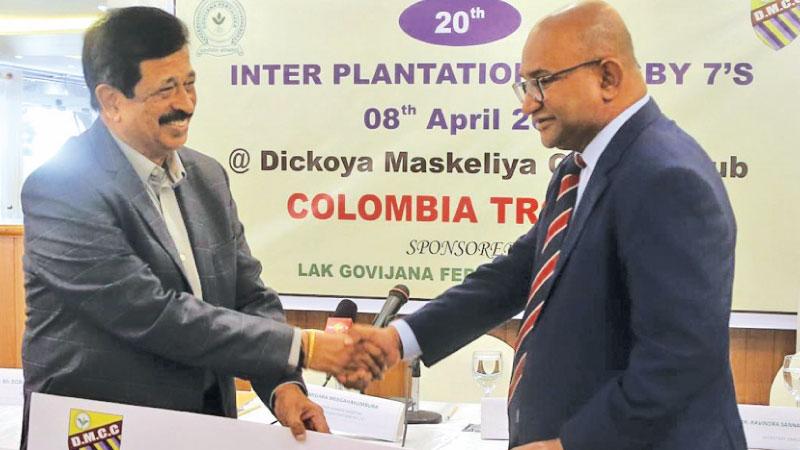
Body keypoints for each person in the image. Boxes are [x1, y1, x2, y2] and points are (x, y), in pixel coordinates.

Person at [354, 1, 747, 449]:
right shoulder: (579, 169)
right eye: (524, 85)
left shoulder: (665, 177)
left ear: (608, 77)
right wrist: (400, 339)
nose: (527, 103)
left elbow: (680, 358)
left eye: (542, 82)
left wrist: (570, 444)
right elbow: (518, 274)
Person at [20, 7, 378, 448]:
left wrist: (283, 386)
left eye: (189, 84)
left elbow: (248, 295)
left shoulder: (206, 176)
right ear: (112, 101)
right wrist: (302, 345)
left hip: (201, 429)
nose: (185, 104)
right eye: (165, 90)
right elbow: (151, 313)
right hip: (99, 430)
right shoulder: (61, 187)